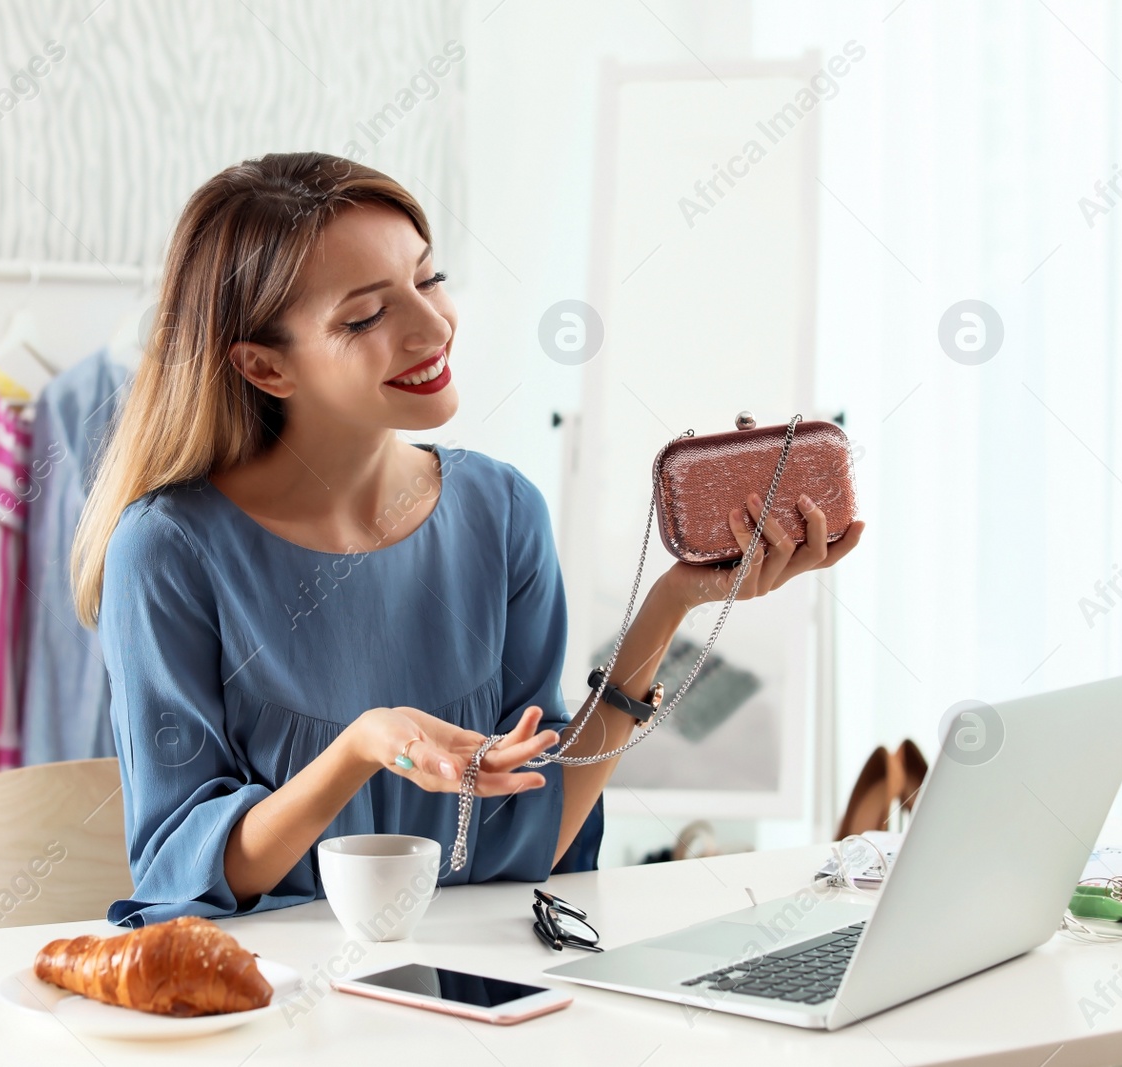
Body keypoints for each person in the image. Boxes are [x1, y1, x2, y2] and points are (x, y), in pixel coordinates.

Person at [70, 152, 864, 926]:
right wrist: (359, 748)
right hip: (274, 1011)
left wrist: (672, 602)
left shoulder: (502, 511)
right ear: (266, 367)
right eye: (367, 314)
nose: (431, 326)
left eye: (428, 278)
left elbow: (532, 838)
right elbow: (184, 870)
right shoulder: (168, 551)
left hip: (477, 992)